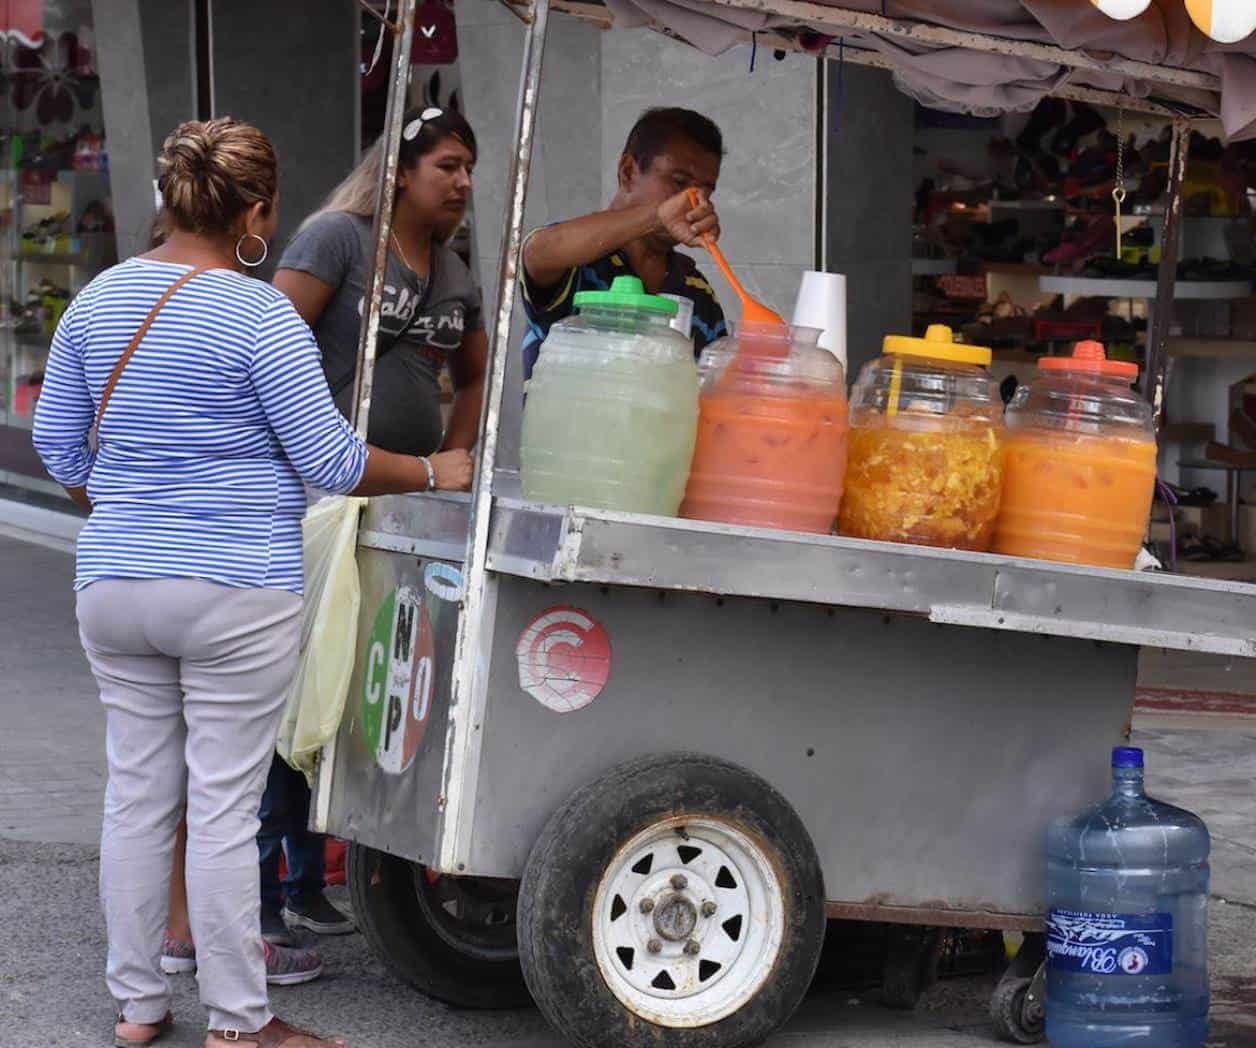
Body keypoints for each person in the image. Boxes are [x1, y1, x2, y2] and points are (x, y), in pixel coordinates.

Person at [32, 117, 473, 1048]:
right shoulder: (259, 312)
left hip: (115, 583)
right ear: (260, 212)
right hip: (236, 586)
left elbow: (60, 448)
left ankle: (139, 1007)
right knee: (224, 804)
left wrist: (135, 506)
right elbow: (331, 458)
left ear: (170, 198)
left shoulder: (101, 298)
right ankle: (241, 1022)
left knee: (137, 795)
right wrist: (440, 471)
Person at [274, 104, 486, 458]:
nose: (464, 182)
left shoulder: (454, 273)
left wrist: (449, 460)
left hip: (413, 487)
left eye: (469, 169)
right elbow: (271, 352)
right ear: (400, 171)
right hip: (325, 484)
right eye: (448, 167)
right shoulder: (339, 238)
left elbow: (476, 379)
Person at [520, 106, 728, 386]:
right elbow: (539, 251)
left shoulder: (697, 291)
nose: (695, 202)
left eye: (706, 191)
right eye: (679, 183)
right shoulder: (577, 260)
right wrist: (657, 216)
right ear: (628, 172)